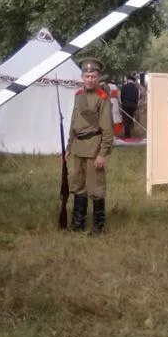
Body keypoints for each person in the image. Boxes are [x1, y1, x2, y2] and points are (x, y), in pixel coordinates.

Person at [68, 57, 114, 235]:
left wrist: (102, 153)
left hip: (94, 147)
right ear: (82, 77)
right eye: (87, 76)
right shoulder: (78, 95)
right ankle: (77, 223)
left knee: (96, 188)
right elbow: (74, 122)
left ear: (98, 77)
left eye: (93, 76)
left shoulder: (102, 98)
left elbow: (107, 129)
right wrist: (68, 147)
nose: (90, 79)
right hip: (78, 147)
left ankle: (98, 226)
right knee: (78, 185)